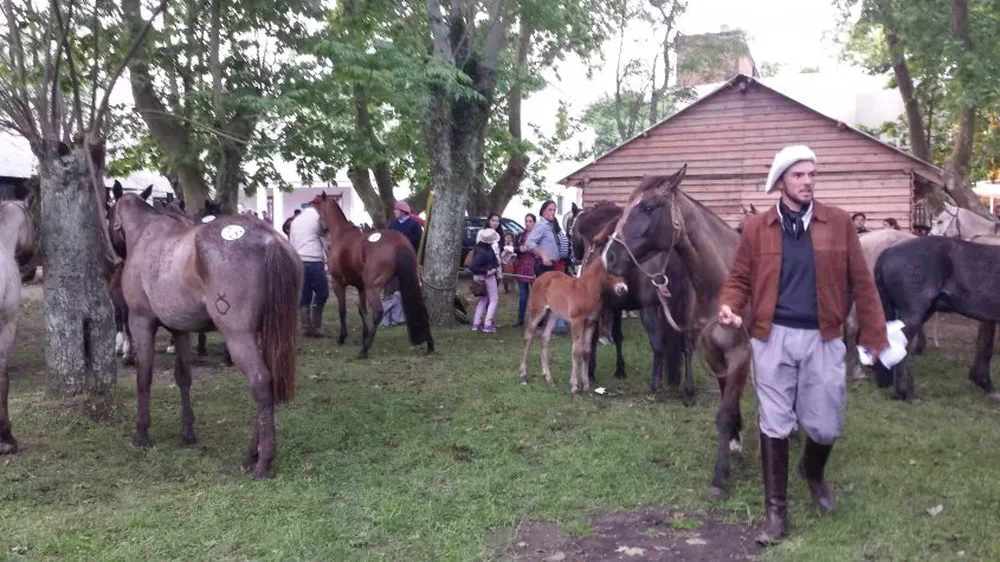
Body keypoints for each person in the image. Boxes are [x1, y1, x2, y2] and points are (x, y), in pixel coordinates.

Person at [716, 145, 888, 546]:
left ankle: (812, 470)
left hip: (823, 337)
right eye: (798, 175)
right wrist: (729, 305)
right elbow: (739, 278)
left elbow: (862, 282)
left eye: (812, 174)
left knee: (826, 423)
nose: (808, 181)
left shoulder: (838, 223)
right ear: (781, 182)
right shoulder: (757, 228)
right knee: (774, 422)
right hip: (771, 336)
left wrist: (874, 334)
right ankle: (776, 513)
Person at [288, 195, 331, 337]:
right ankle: (316, 326)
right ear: (319, 206)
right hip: (314, 260)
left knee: (304, 294)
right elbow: (326, 240)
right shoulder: (318, 219)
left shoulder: (296, 220)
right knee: (322, 293)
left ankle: (306, 327)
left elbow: (292, 241)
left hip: (298, 260)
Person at [525, 200, 568, 333]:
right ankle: (538, 322)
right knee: (543, 295)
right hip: (544, 266)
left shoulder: (550, 226)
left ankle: (555, 322)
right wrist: (543, 255)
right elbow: (529, 242)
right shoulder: (541, 226)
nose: (552, 212)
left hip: (553, 265)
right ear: (543, 211)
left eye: (554, 210)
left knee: (555, 293)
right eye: (550, 209)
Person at [467, 228, 501, 333]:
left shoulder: (479, 248)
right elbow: (473, 267)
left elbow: (495, 262)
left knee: (483, 300)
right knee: (494, 300)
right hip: (487, 277)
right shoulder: (485, 252)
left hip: (479, 278)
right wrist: (487, 272)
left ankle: (476, 323)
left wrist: (494, 267)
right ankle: (487, 324)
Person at [514, 213, 537, 327]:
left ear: (534, 223)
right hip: (522, 268)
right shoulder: (520, 236)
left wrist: (532, 250)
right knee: (523, 296)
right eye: (526, 221)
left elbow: (542, 250)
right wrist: (519, 249)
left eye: (530, 221)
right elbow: (513, 249)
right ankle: (520, 320)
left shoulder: (538, 235)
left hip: (534, 268)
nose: (527, 223)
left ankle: (538, 320)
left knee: (537, 296)